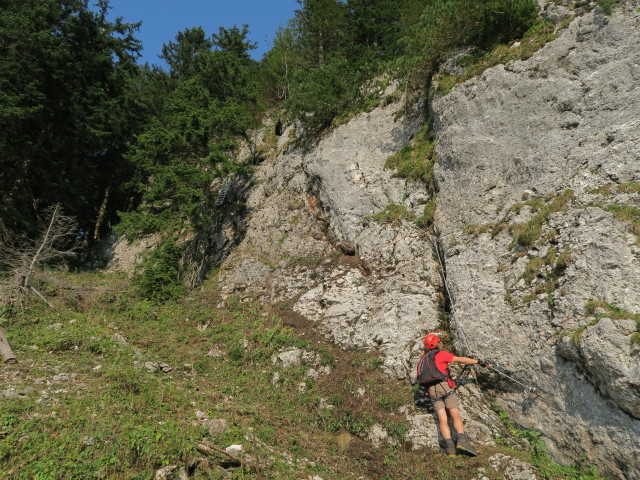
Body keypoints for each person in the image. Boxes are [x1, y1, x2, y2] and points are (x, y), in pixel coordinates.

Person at [417, 333, 490, 457]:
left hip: (431, 390)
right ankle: (462, 441)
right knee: (455, 414)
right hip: (444, 387)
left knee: (442, 418)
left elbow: (423, 353)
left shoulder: (423, 357)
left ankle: (450, 448)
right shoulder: (440, 354)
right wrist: (478, 361)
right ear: (436, 344)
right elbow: (462, 360)